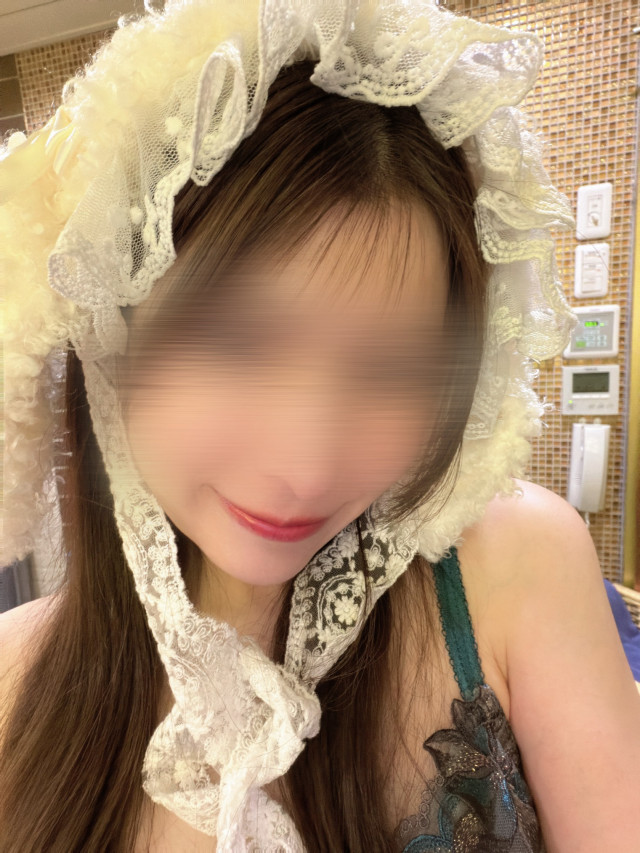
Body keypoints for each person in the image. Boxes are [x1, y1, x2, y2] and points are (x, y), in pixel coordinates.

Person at [1, 1, 639, 851]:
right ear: (111, 332)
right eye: (237, 342)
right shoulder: (11, 681)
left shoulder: (519, 566)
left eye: (393, 369)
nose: (307, 465)